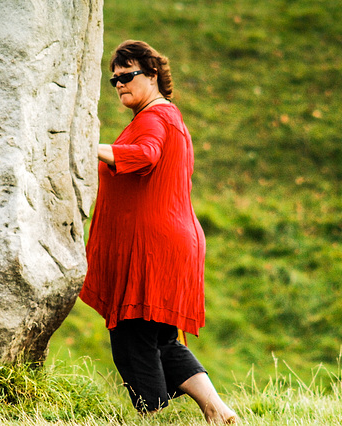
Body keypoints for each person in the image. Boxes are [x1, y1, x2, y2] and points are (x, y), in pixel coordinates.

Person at [79, 40, 239, 424]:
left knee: (132, 341)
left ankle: (152, 417)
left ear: (152, 75)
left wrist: (83, 146)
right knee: (161, 339)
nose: (119, 84)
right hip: (172, 243)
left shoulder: (153, 120)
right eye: (113, 79)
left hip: (152, 248)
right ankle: (217, 410)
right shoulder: (170, 118)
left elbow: (146, 155)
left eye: (127, 75)